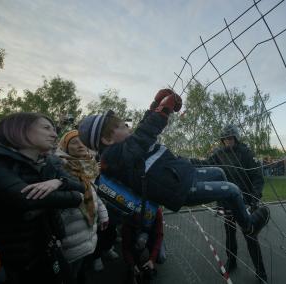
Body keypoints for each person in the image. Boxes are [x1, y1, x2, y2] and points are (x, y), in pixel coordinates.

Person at [77, 89, 270, 238]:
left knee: (219, 172)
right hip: (178, 189)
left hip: (181, 176)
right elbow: (143, 135)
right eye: (121, 126)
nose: (127, 127)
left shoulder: (125, 149)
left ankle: (232, 209)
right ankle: (249, 226)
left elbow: (140, 134)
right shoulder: (114, 157)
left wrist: (154, 106)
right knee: (232, 189)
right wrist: (163, 111)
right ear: (107, 140)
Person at [0, 112, 85, 284]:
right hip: (10, 260)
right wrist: (73, 196)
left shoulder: (49, 162)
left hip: (46, 249)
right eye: (46, 128)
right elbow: (26, 198)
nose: (55, 134)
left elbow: (80, 187)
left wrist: (58, 182)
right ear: (20, 129)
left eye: (54, 129)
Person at [191, 124, 267, 283]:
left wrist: (254, 198)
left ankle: (261, 272)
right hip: (227, 201)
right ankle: (231, 261)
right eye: (225, 139)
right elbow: (205, 164)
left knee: (250, 235)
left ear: (236, 138)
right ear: (222, 140)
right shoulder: (218, 154)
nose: (228, 141)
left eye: (230, 138)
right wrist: (188, 162)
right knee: (229, 232)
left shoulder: (246, 152)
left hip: (245, 200)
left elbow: (257, 177)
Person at [55, 130, 110, 283]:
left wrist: (103, 214)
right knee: (67, 273)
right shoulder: (59, 166)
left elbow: (91, 191)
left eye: (82, 141)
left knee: (79, 268)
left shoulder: (88, 164)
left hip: (86, 228)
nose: (80, 145)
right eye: (74, 142)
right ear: (65, 146)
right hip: (69, 229)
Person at [122, 207, 164, 284]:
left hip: (151, 236)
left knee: (160, 256)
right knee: (139, 244)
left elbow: (159, 235)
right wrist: (132, 264)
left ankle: (147, 267)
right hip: (137, 238)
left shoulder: (156, 210)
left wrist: (152, 259)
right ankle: (135, 270)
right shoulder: (129, 216)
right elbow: (125, 246)